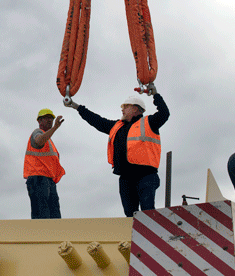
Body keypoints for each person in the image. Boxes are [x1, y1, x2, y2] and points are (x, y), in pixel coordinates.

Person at [64, 86, 169, 216]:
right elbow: (97, 121)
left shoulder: (149, 122)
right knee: (130, 215)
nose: (122, 109)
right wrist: (76, 107)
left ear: (135, 109)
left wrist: (156, 95)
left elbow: (164, 113)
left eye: (126, 106)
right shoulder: (117, 127)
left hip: (146, 176)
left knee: (147, 212)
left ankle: (151, 235)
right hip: (126, 178)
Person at [24, 108, 65, 219]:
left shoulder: (49, 140)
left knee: (54, 217)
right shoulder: (38, 133)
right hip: (38, 179)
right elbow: (39, 141)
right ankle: (40, 236)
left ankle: (53, 236)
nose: (50, 120)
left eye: (51, 118)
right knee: (42, 217)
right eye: (46, 118)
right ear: (39, 121)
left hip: (48, 180)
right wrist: (55, 127)